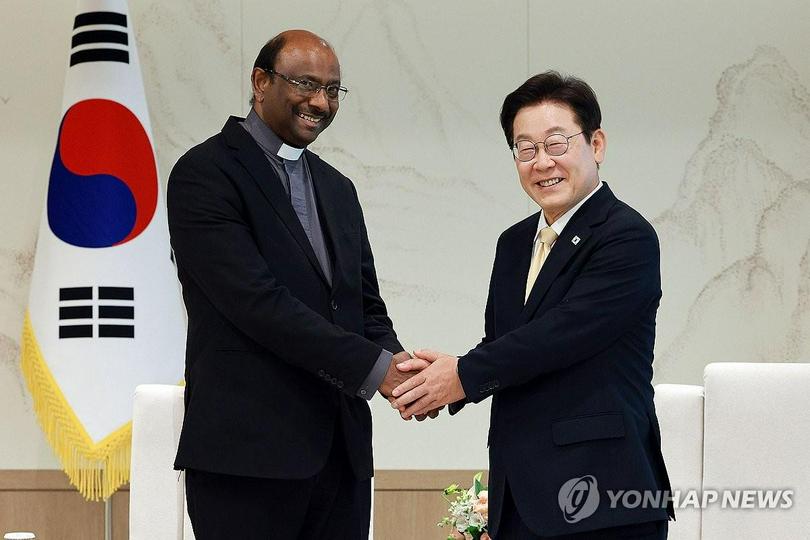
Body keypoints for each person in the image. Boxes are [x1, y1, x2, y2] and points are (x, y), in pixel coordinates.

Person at [167, 30, 430, 539]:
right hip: (247, 461)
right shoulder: (204, 174)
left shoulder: (338, 188)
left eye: (333, 90)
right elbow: (258, 305)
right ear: (261, 81)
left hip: (341, 455)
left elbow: (364, 307)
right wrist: (377, 371)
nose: (320, 101)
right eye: (306, 83)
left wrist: (404, 369)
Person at [392, 71, 674, 538]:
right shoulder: (514, 243)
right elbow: (507, 342)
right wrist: (446, 370)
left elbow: (561, 335)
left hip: (603, 497)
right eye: (526, 149)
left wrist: (462, 375)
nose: (542, 162)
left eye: (557, 143)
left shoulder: (626, 236)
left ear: (596, 144)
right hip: (520, 498)